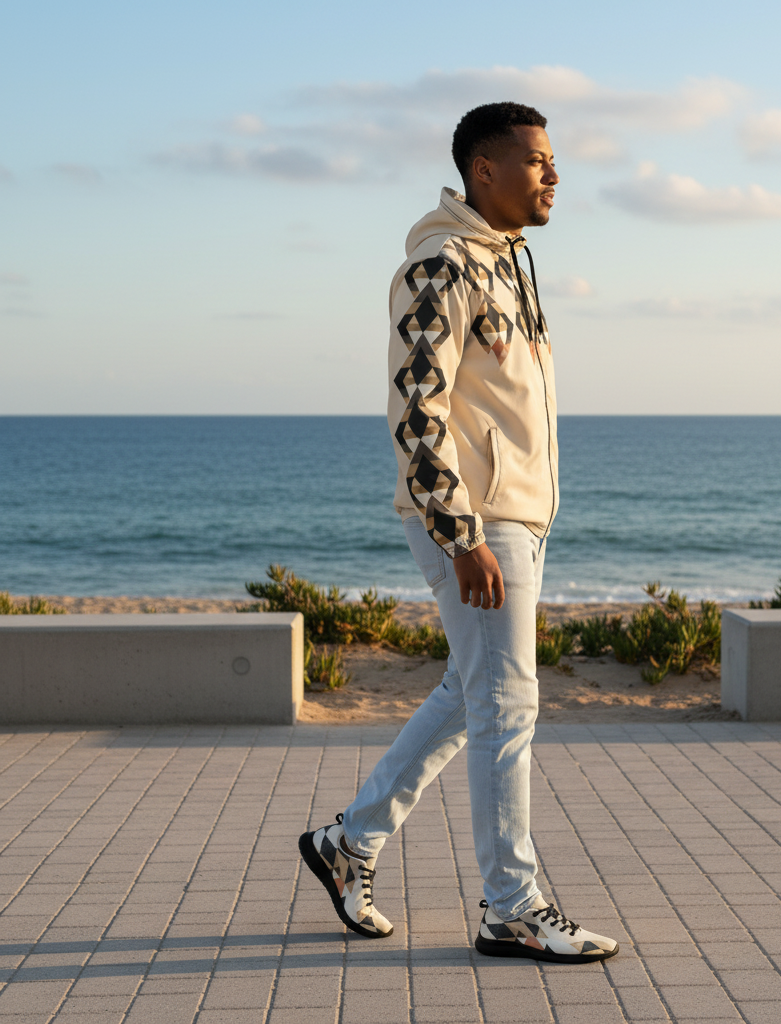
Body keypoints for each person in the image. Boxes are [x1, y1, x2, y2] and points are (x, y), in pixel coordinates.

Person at [299, 102, 619, 965]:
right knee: (508, 706)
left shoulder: (510, 262)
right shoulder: (440, 265)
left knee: (467, 695)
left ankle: (349, 843)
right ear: (484, 170)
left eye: (555, 161)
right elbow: (417, 411)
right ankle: (511, 905)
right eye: (537, 160)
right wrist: (462, 533)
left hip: (516, 514)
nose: (554, 175)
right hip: (478, 520)